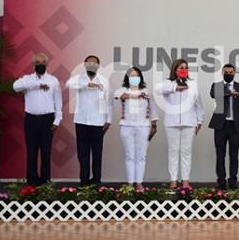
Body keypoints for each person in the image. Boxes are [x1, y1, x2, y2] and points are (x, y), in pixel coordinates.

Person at [13, 53, 62, 186]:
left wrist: (57, 121)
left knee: (46, 153)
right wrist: (36, 85)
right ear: (33, 65)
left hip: (47, 120)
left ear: (46, 64)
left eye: (42, 62)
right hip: (31, 120)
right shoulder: (27, 79)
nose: (40, 65)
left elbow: (58, 102)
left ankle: (45, 182)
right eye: (37, 62)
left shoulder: (53, 80)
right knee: (32, 152)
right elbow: (15, 87)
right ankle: (32, 183)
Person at [155, 59, 204, 189]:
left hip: (190, 122)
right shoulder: (168, 83)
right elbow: (156, 89)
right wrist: (175, 87)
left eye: (186, 68)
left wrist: (200, 121)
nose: (184, 70)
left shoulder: (193, 84)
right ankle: (173, 181)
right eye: (181, 68)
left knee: (186, 152)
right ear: (175, 69)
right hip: (172, 123)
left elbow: (199, 103)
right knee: (173, 151)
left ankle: (185, 181)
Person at [66, 55, 112, 186]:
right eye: (89, 63)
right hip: (81, 122)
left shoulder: (104, 80)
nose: (92, 65)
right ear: (85, 64)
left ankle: (96, 181)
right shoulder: (78, 78)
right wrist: (87, 84)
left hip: (98, 122)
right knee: (83, 154)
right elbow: (68, 84)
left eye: (94, 63)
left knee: (97, 154)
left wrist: (108, 119)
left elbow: (108, 101)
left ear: (98, 66)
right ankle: (84, 181)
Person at [114, 67, 157, 191]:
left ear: (140, 77)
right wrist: (136, 95)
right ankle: (130, 183)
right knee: (129, 156)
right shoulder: (121, 90)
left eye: (136, 75)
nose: (134, 78)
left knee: (141, 156)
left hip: (143, 126)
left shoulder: (147, 92)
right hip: (126, 126)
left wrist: (154, 125)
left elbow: (153, 108)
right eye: (131, 76)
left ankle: (139, 183)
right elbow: (120, 96)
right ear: (127, 78)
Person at [209, 64, 239, 190]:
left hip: (235, 126)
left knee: (234, 155)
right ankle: (221, 181)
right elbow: (213, 94)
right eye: (226, 72)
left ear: (235, 73)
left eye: (231, 72)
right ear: (222, 72)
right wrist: (230, 93)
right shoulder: (217, 86)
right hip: (220, 125)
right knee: (220, 154)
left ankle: (233, 181)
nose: (228, 74)